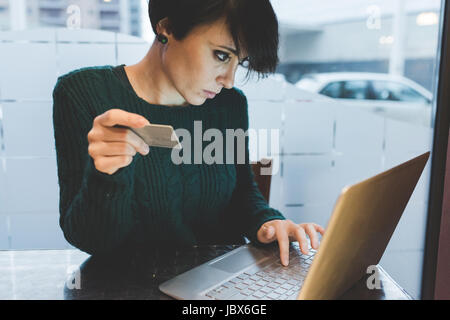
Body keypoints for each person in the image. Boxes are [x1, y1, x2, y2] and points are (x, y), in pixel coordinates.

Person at [52, 0, 325, 267]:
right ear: (167, 28)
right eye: (221, 55)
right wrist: (106, 177)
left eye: (239, 62)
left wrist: (267, 222)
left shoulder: (229, 105)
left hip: (219, 285)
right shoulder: (83, 94)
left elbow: (242, 194)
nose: (228, 80)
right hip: (127, 288)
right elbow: (92, 240)